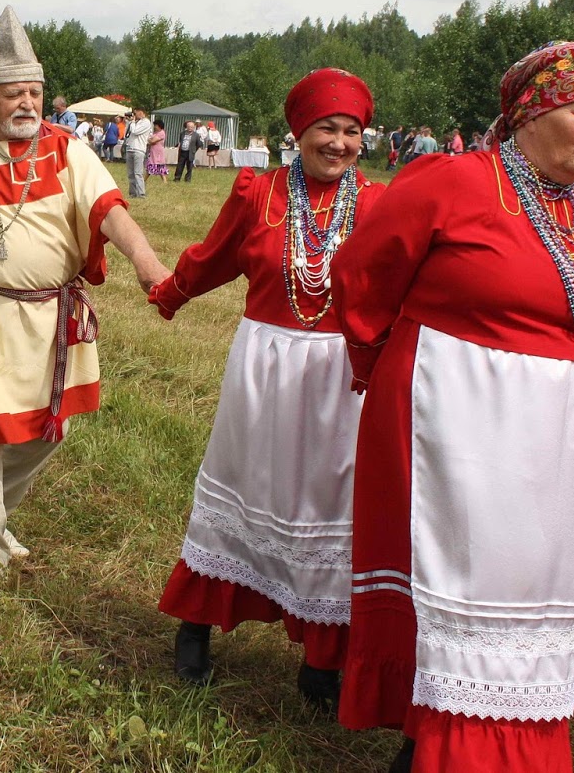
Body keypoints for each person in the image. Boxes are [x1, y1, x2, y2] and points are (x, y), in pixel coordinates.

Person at [333, 42, 574, 773]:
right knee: (456, 578)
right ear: (532, 114)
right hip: (448, 416)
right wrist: (378, 367)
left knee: (526, 588)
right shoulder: (452, 182)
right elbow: (363, 274)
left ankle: (464, 734)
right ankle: (442, 741)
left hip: (551, 434)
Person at [0, 6, 169, 579]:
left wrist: (146, 262)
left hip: (52, 316)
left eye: (35, 93)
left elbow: (109, 210)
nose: (27, 104)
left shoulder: (68, 149)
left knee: (50, 427)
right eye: (13, 94)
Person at [149, 69, 382, 706]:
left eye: (351, 131)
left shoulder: (379, 204)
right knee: (243, 484)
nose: (339, 143)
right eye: (326, 129)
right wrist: (171, 292)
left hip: (342, 377)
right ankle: (196, 624)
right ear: (298, 132)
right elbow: (216, 255)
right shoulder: (261, 192)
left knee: (328, 505)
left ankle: (322, 661)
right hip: (264, 366)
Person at [123, 109, 152, 198]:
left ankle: (141, 193)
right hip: (129, 148)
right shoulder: (133, 122)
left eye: (136, 113)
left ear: (142, 112)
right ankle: (132, 193)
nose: (135, 114)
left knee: (138, 173)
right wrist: (128, 122)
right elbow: (126, 134)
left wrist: (132, 122)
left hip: (139, 149)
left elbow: (135, 131)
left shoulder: (146, 122)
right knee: (130, 174)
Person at [145, 119, 169, 183]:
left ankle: (164, 181)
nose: (155, 127)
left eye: (156, 125)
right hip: (153, 151)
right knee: (152, 165)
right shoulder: (155, 133)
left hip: (158, 153)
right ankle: (144, 180)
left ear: (159, 126)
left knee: (159, 165)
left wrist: (148, 139)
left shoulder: (162, 133)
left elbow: (153, 141)